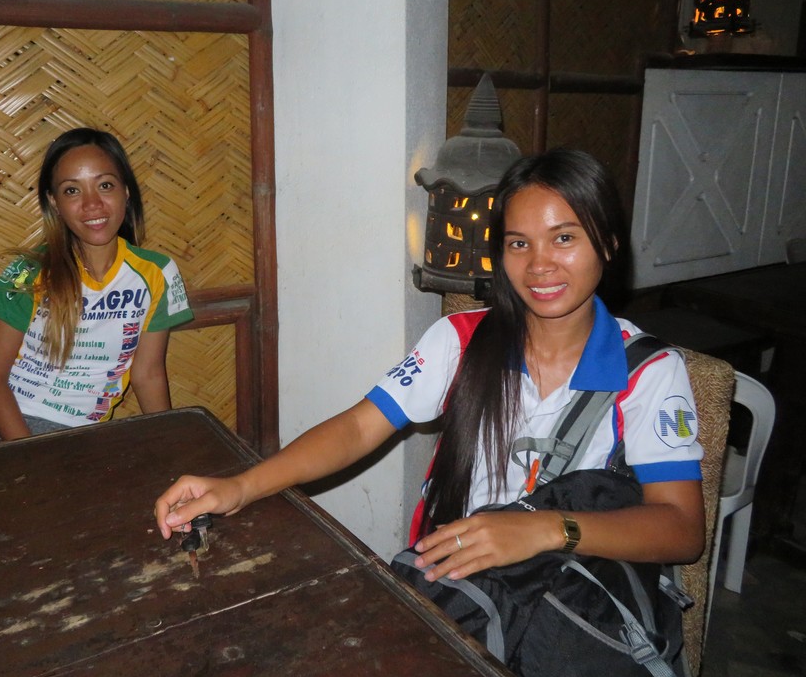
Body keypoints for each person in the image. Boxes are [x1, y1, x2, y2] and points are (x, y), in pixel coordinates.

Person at [154, 148, 704, 586]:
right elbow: (359, 427)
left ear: (607, 243)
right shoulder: (461, 341)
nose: (540, 264)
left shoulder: (649, 372)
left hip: (569, 598)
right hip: (457, 586)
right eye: (519, 243)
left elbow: (682, 528)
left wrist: (545, 530)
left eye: (564, 238)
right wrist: (242, 487)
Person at [0, 127, 194, 450]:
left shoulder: (157, 274)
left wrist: (168, 447)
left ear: (126, 191)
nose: (92, 204)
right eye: (72, 190)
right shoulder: (29, 272)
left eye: (105, 185)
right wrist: (33, 455)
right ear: (54, 202)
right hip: (1, 429)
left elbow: (147, 374)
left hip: (79, 439)